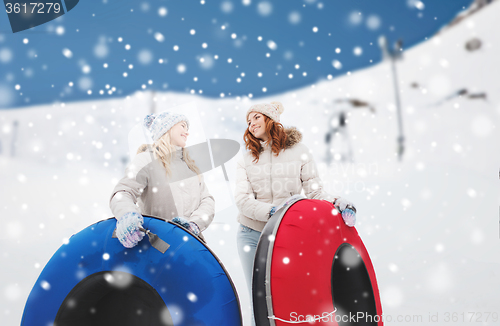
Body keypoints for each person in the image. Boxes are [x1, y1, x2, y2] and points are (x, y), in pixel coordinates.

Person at [234, 101, 357, 325]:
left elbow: (315, 190)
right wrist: (273, 211)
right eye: (248, 121)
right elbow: (243, 201)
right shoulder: (247, 157)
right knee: (259, 299)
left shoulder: (299, 151)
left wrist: (336, 201)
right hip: (251, 234)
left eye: (256, 118)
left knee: (288, 294)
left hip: (285, 235)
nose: (251, 124)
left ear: (270, 118)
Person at [110, 111, 215, 248]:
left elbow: (207, 200)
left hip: (191, 245)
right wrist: (127, 215)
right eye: (183, 126)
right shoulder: (147, 160)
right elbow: (123, 192)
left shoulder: (191, 167)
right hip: (157, 246)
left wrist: (194, 225)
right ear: (167, 128)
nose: (186, 132)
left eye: (187, 129)